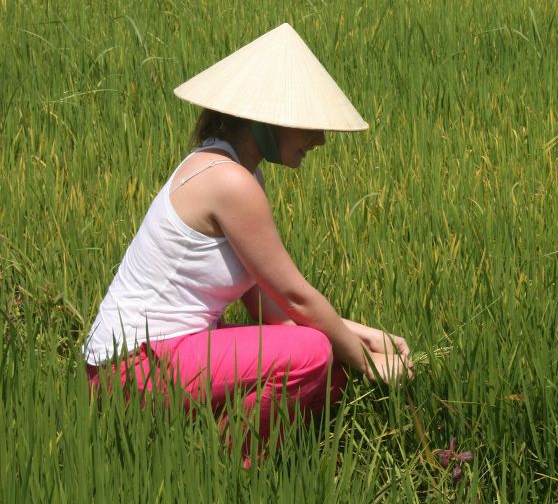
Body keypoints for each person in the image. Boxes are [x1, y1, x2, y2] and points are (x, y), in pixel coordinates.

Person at [83, 22, 413, 438]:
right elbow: (297, 297)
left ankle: (205, 446)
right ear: (264, 121)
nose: (320, 139)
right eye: (308, 123)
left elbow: (272, 309)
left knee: (330, 378)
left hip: (160, 357)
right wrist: (372, 364)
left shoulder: (238, 173)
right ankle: (228, 468)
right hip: (129, 368)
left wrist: (364, 336)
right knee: (313, 353)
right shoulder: (230, 182)